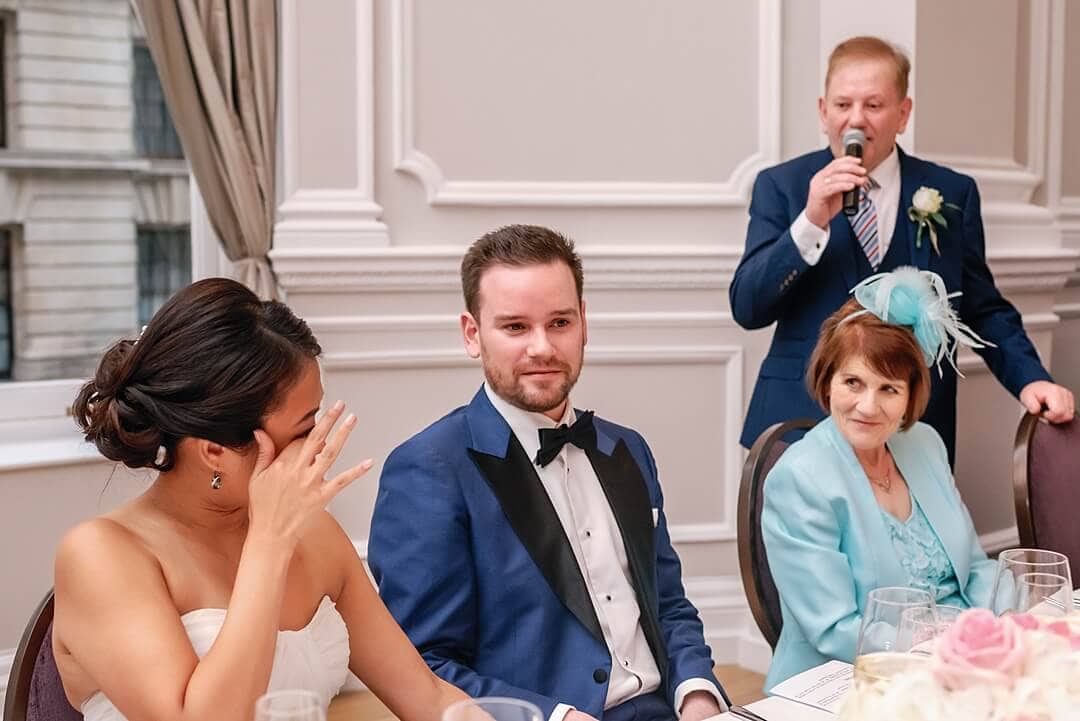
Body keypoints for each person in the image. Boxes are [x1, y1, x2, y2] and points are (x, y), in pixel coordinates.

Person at [53, 278, 468, 721]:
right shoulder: (100, 555)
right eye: (304, 431)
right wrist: (269, 544)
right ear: (215, 451)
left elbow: (428, 697)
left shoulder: (315, 535)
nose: (321, 449)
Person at [367, 225, 730, 721]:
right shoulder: (429, 471)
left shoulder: (627, 448)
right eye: (515, 327)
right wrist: (551, 718)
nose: (542, 348)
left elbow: (668, 605)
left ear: (584, 322)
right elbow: (422, 666)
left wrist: (698, 694)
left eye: (559, 322)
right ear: (473, 335)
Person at [729, 35, 1074, 464]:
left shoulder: (951, 192)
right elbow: (747, 307)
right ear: (823, 112)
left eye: (873, 106)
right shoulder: (781, 186)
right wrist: (811, 221)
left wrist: (1031, 381)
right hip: (801, 424)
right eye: (842, 105)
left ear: (903, 113)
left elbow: (981, 308)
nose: (855, 121)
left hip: (912, 431)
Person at [760, 267, 999, 689]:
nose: (867, 407)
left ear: (910, 397)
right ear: (828, 381)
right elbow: (835, 628)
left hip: (962, 666)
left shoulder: (924, 444)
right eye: (853, 382)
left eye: (888, 389)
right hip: (851, 679)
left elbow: (975, 570)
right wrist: (948, 654)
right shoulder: (799, 477)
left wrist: (1010, 628)